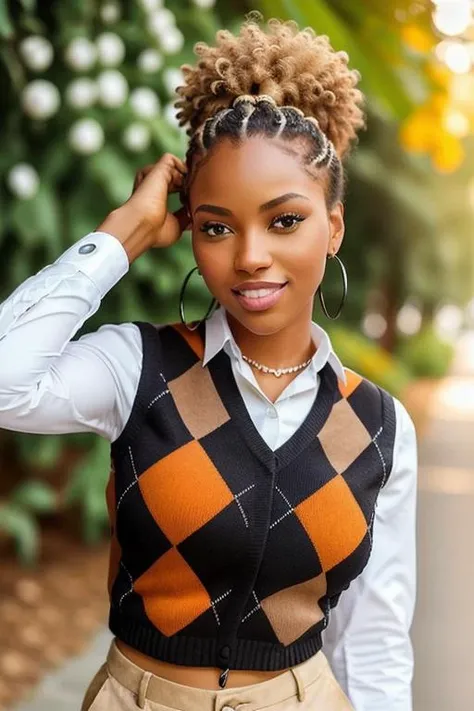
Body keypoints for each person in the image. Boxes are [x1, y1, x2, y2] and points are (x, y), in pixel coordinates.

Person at [0, 13, 417, 711]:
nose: (250, 255)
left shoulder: (379, 425)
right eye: (217, 225)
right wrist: (122, 234)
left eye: (284, 221)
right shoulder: (140, 367)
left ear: (333, 227)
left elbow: (373, 640)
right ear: (189, 227)